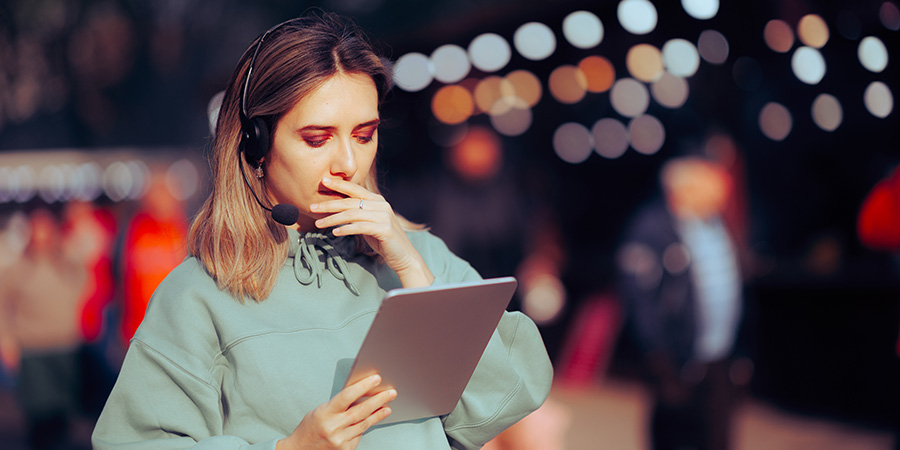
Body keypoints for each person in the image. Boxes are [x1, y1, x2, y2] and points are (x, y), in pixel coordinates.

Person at [91, 11, 553, 450]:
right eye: (317, 138)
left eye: (364, 135)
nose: (348, 163)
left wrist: (413, 270)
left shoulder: (421, 257)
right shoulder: (197, 296)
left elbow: (506, 399)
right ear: (255, 143)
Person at [616, 155, 748, 450]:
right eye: (712, 190)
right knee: (675, 434)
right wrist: (657, 355)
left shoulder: (717, 225)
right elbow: (639, 297)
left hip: (719, 353)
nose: (720, 197)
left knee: (717, 435)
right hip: (675, 357)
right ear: (684, 190)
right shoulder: (652, 228)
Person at [0, 208, 88, 450]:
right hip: (33, 349)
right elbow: (3, 305)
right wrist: (7, 340)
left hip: (64, 346)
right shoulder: (19, 269)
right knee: (39, 416)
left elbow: (85, 282)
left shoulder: (67, 265)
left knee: (62, 414)